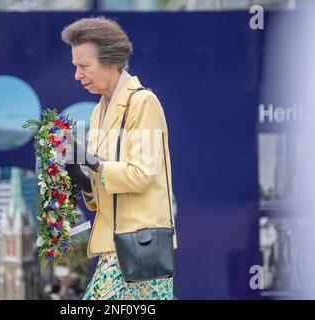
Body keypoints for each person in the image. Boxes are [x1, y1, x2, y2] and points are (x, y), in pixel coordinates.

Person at [61, 16, 177, 300]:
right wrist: (80, 174)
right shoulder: (97, 112)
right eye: (76, 66)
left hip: (138, 247)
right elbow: (101, 191)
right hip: (114, 247)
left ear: (111, 62)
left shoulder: (143, 102)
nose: (77, 74)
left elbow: (141, 175)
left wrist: (94, 162)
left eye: (84, 65)